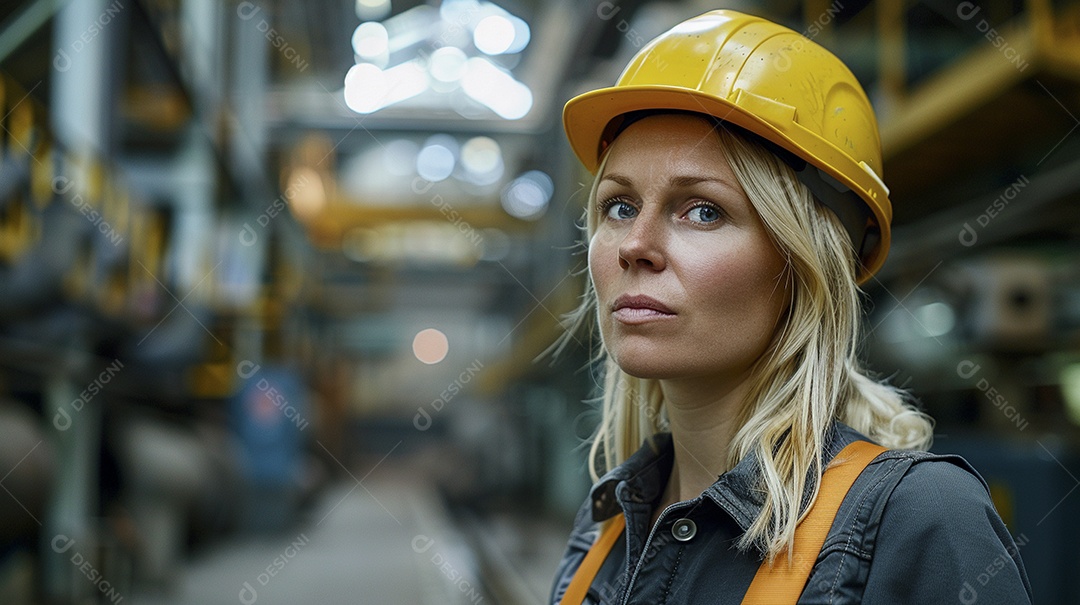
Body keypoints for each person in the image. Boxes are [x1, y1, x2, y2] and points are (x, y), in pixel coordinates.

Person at [550, 9, 1031, 605]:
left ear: (807, 265)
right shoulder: (608, 526)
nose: (636, 245)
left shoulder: (918, 523)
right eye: (619, 206)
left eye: (702, 210)